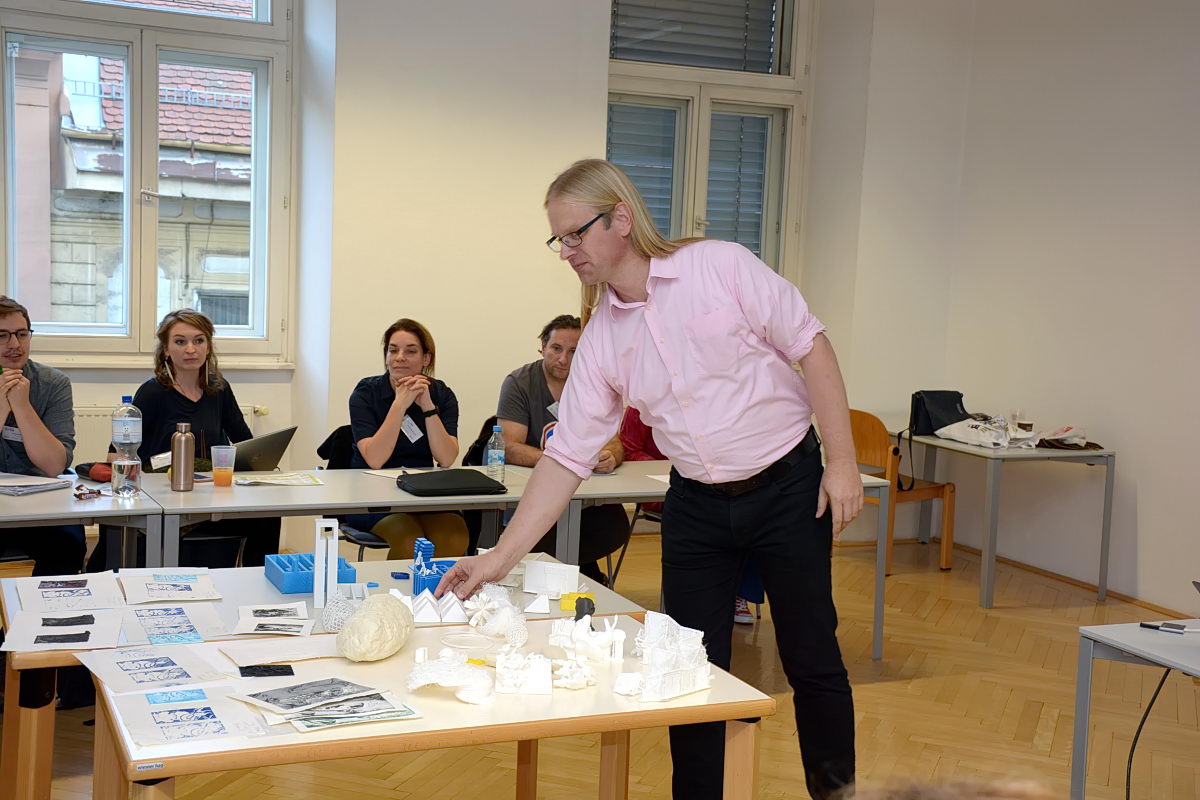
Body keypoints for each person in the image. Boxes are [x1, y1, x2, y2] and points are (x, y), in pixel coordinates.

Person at [438, 159, 863, 799]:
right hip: (696, 506)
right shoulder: (602, 338)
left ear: (621, 218)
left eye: (575, 235)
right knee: (687, 669)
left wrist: (843, 460)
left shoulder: (719, 267)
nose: (567, 252)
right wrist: (500, 557)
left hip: (788, 487)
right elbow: (566, 458)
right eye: (558, 240)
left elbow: (812, 346)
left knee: (812, 659)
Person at [89, 309, 280, 569]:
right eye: (180, 341)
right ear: (166, 350)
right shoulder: (153, 392)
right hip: (166, 498)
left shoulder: (219, 388)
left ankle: (255, 581)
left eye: (198, 340)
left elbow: (244, 443)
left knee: (269, 515)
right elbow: (115, 454)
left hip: (211, 494)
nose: (191, 349)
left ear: (208, 346)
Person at [496, 314, 630, 584]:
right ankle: (576, 575)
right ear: (542, 347)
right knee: (546, 529)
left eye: (574, 351)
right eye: (556, 349)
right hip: (533, 491)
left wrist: (611, 456)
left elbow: (614, 440)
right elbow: (509, 447)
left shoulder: (594, 382)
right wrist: (563, 462)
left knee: (614, 525)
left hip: (586, 493)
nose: (563, 359)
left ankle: (576, 574)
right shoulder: (520, 383)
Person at [619, 405, 761, 623]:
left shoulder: (709, 404)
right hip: (666, 490)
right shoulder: (639, 407)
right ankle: (708, 595)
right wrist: (669, 466)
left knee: (750, 517)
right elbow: (630, 449)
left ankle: (738, 593)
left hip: (710, 483)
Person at [344, 318, 468, 558]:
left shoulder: (442, 394)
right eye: (393, 350)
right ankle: (400, 585)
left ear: (426, 358)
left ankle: (438, 584)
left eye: (410, 351)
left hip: (423, 494)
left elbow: (446, 458)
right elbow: (375, 459)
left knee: (454, 535)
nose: (399, 357)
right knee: (410, 540)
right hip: (372, 496)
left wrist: (427, 406)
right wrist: (399, 404)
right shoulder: (366, 393)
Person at [0, 296, 85, 576]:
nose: (15, 344)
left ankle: (43, 605)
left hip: (40, 503)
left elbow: (53, 465)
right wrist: (2, 407)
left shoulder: (53, 383)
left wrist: (22, 406)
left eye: (22, 334)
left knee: (68, 545)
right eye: (2, 336)